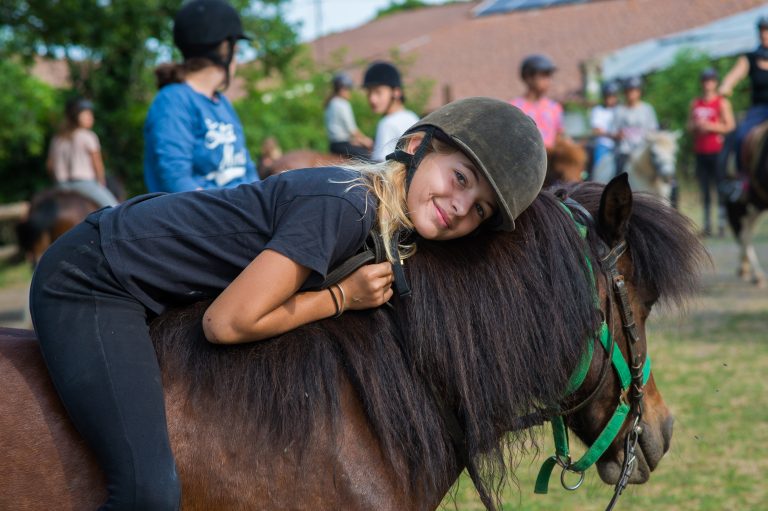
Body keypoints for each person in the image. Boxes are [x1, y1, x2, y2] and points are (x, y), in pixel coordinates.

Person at [29, 97, 546, 510]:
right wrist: (342, 297)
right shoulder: (345, 204)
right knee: (148, 493)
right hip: (96, 277)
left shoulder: (384, 223)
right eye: (460, 178)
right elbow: (226, 323)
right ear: (415, 145)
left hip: (148, 287)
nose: (461, 206)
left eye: (480, 210)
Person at [143, 0, 258, 193]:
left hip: (239, 207)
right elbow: (176, 181)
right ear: (225, 48)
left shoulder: (223, 103)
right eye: (236, 51)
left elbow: (248, 170)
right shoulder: (173, 100)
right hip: (201, 211)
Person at [46, 97, 119, 208]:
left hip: (61, 186)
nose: (91, 118)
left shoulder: (57, 138)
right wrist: (101, 182)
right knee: (116, 209)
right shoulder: (88, 136)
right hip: (84, 184)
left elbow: (49, 166)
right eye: (87, 114)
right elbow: (97, 164)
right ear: (76, 116)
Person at [687, 68, 735, 237]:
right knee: (705, 188)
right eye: (705, 80)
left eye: (711, 80)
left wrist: (711, 126)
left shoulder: (722, 102)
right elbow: (689, 125)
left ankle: (721, 224)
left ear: (715, 82)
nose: (708, 83)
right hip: (701, 151)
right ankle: (707, 224)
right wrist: (696, 125)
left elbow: (730, 125)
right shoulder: (695, 103)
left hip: (717, 150)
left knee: (720, 186)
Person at [719, 16, 768, 178]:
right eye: (762, 31)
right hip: (759, 110)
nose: (764, 34)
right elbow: (734, 76)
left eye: (767, 31)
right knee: (741, 136)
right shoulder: (750, 58)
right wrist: (726, 86)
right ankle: (743, 179)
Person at [363, 61, 420, 162]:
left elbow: (380, 165)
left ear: (396, 92)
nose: (372, 99)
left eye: (378, 92)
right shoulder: (412, 117)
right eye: (369, 93)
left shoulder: (387, 124)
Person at [510, 54, 564, 149]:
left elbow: (559, 137)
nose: (548, 81)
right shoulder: (515, 108)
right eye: (543, 75)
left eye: (549, 76)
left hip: (550, 157)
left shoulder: (554, 108)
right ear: (528, 77)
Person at [612, 75, 659, 176]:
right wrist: (617, 135)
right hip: (625, 150)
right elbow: (613, 131)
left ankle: (671, 184)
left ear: (639, 92)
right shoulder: (619, 110)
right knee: (619, 173)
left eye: (634, 90)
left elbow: (653, 129)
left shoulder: (647, 109)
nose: (631, 93)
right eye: (629, 91)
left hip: (643, 150)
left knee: (662, 165)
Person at [325, 72, 373, 159]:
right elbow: (352, 130)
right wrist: (366, 140)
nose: (350, 92)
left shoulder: (330, 103)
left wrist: (357, 141)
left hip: (333, 145)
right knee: (368, 157)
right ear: (341, 89)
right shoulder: (343, 104)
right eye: (348, 89)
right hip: (342, 145)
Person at [589, 81, 620, 171]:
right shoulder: (598, 110)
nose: (610, 99)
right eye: (608, 96)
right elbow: (596, 130)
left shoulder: (620, 110)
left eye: (613, 96)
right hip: (604, 145)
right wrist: (612, 135)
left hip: (619, 147)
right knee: (599, 169)